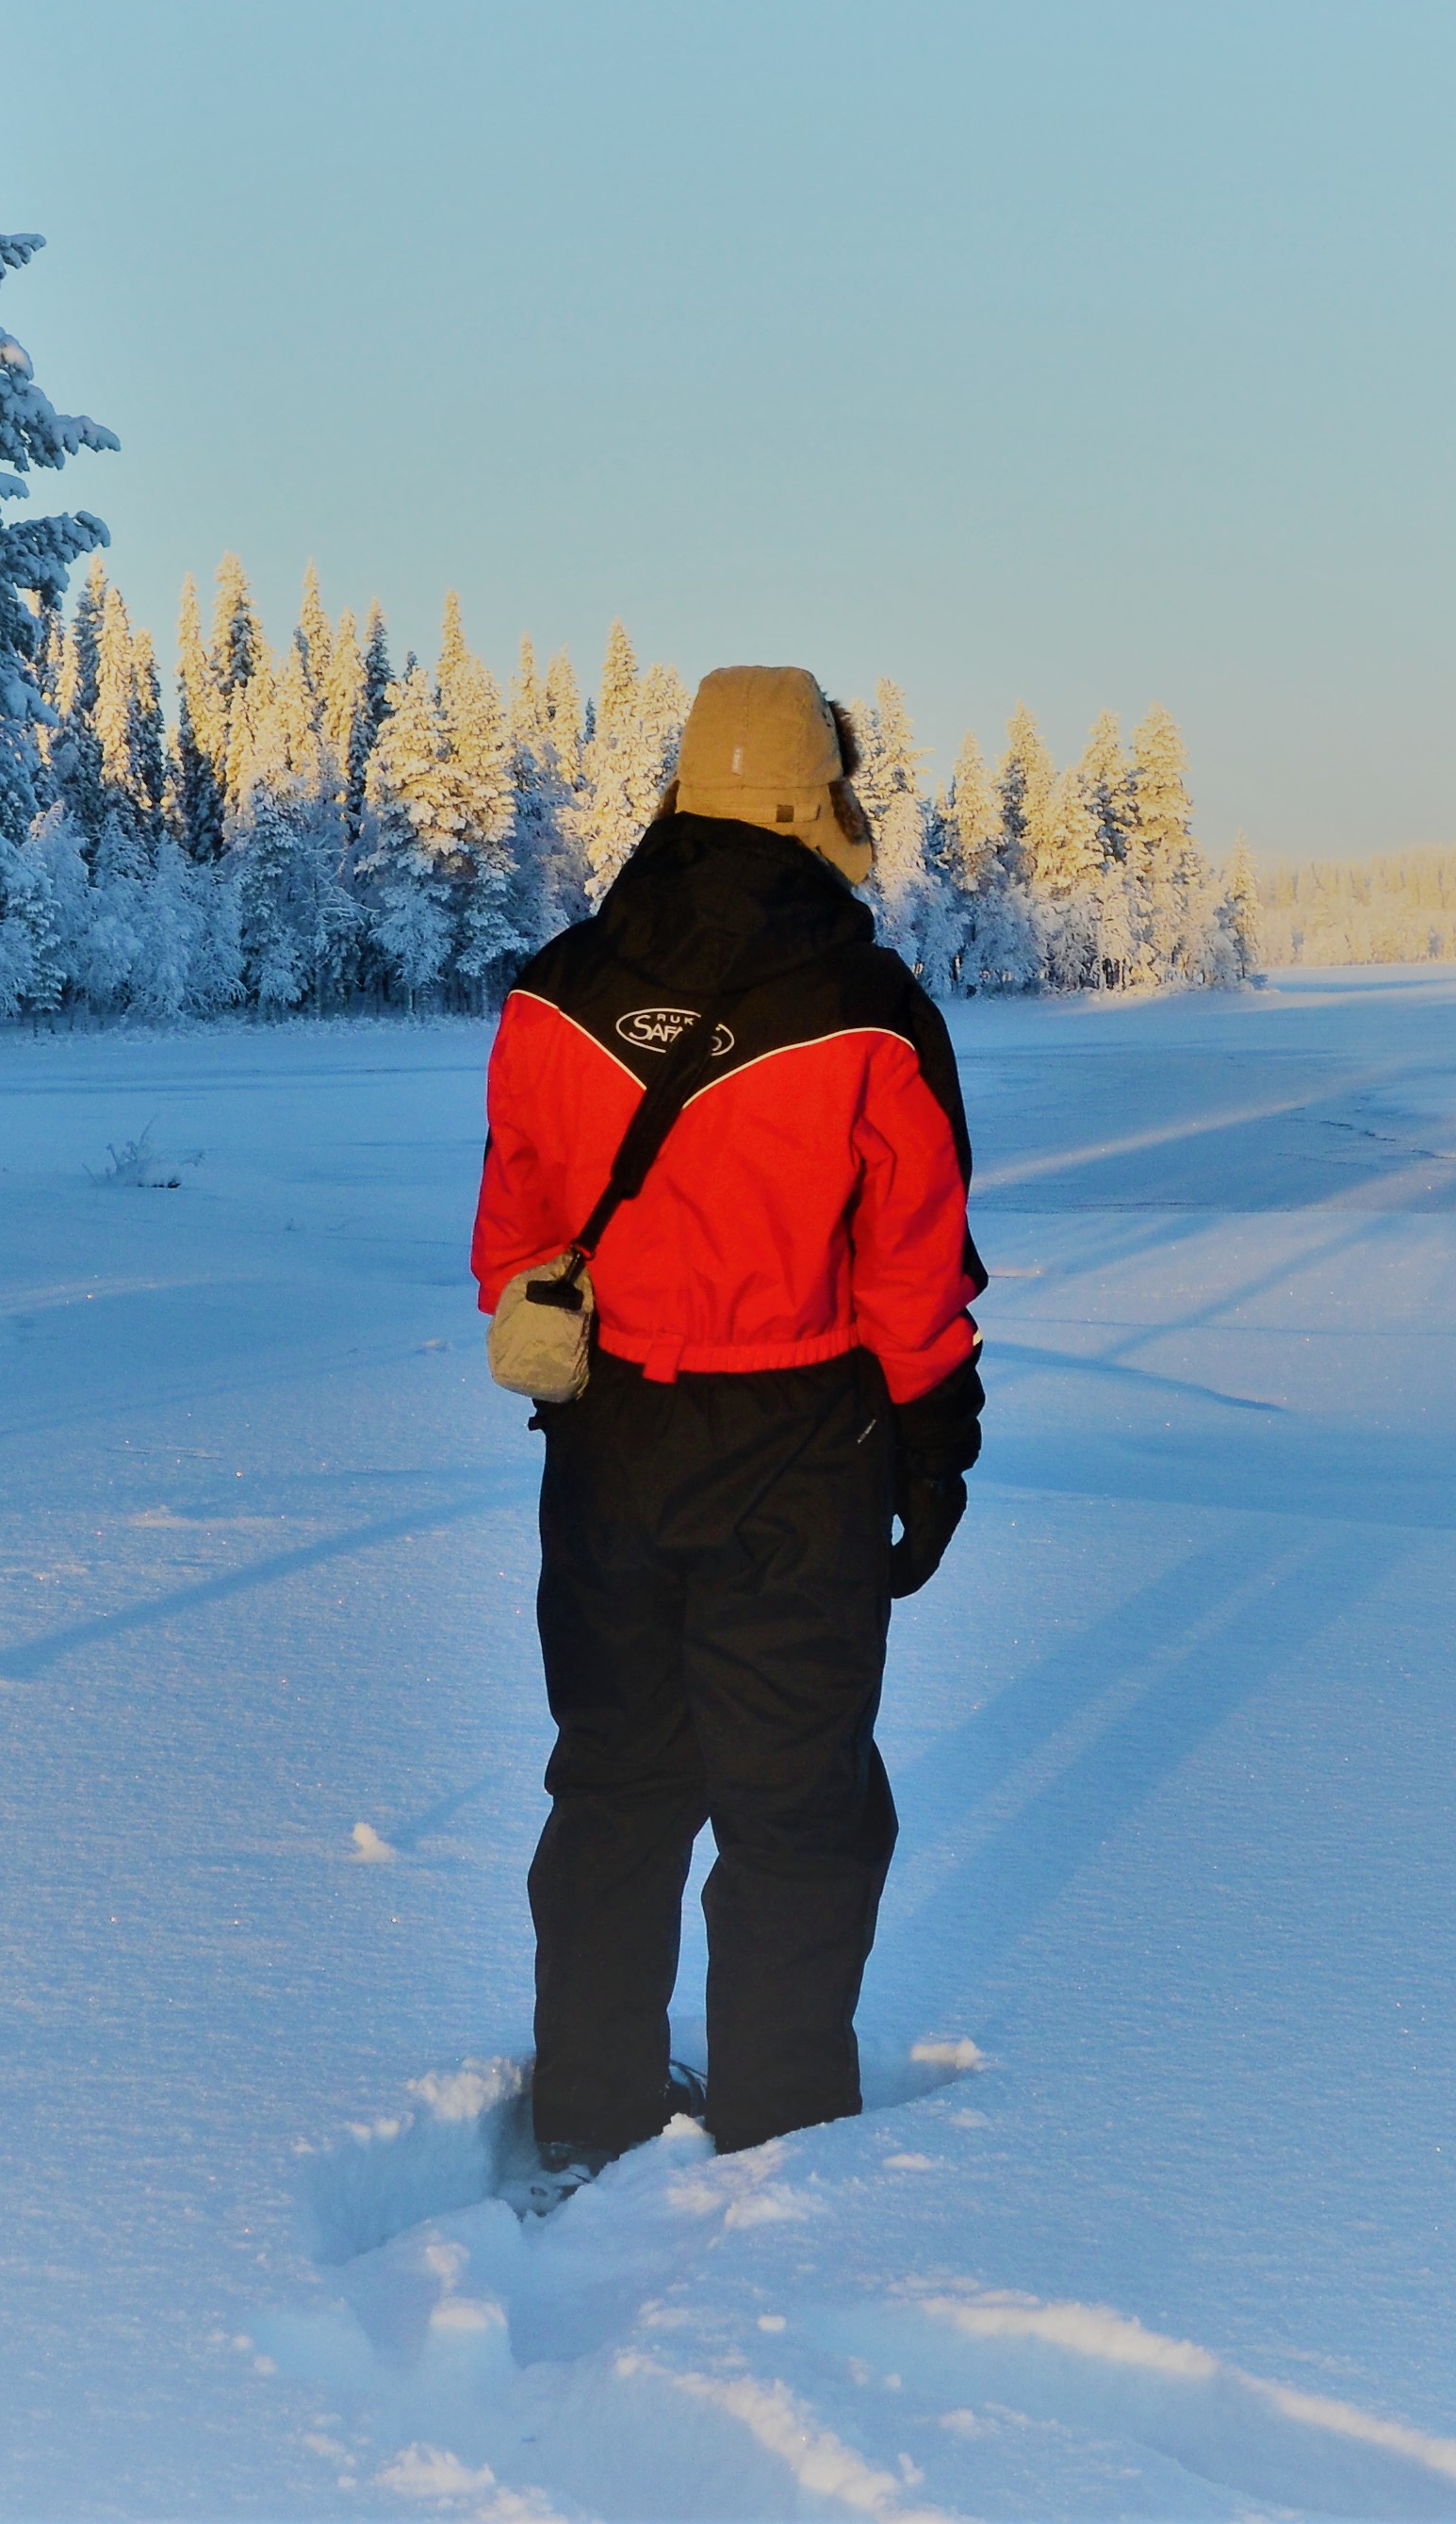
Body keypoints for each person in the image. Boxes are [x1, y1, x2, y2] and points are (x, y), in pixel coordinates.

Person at [469, 665, 986, 2192]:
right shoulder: (870, 1016)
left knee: (616, 1782)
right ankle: (779, 2127)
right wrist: (934, 1448)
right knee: (797, 1804)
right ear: (820, 801)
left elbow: (513, 1245)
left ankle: (589, 2107)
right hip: (798, 1452)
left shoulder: (556, 989)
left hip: (611, 1445)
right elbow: (916, 1272)